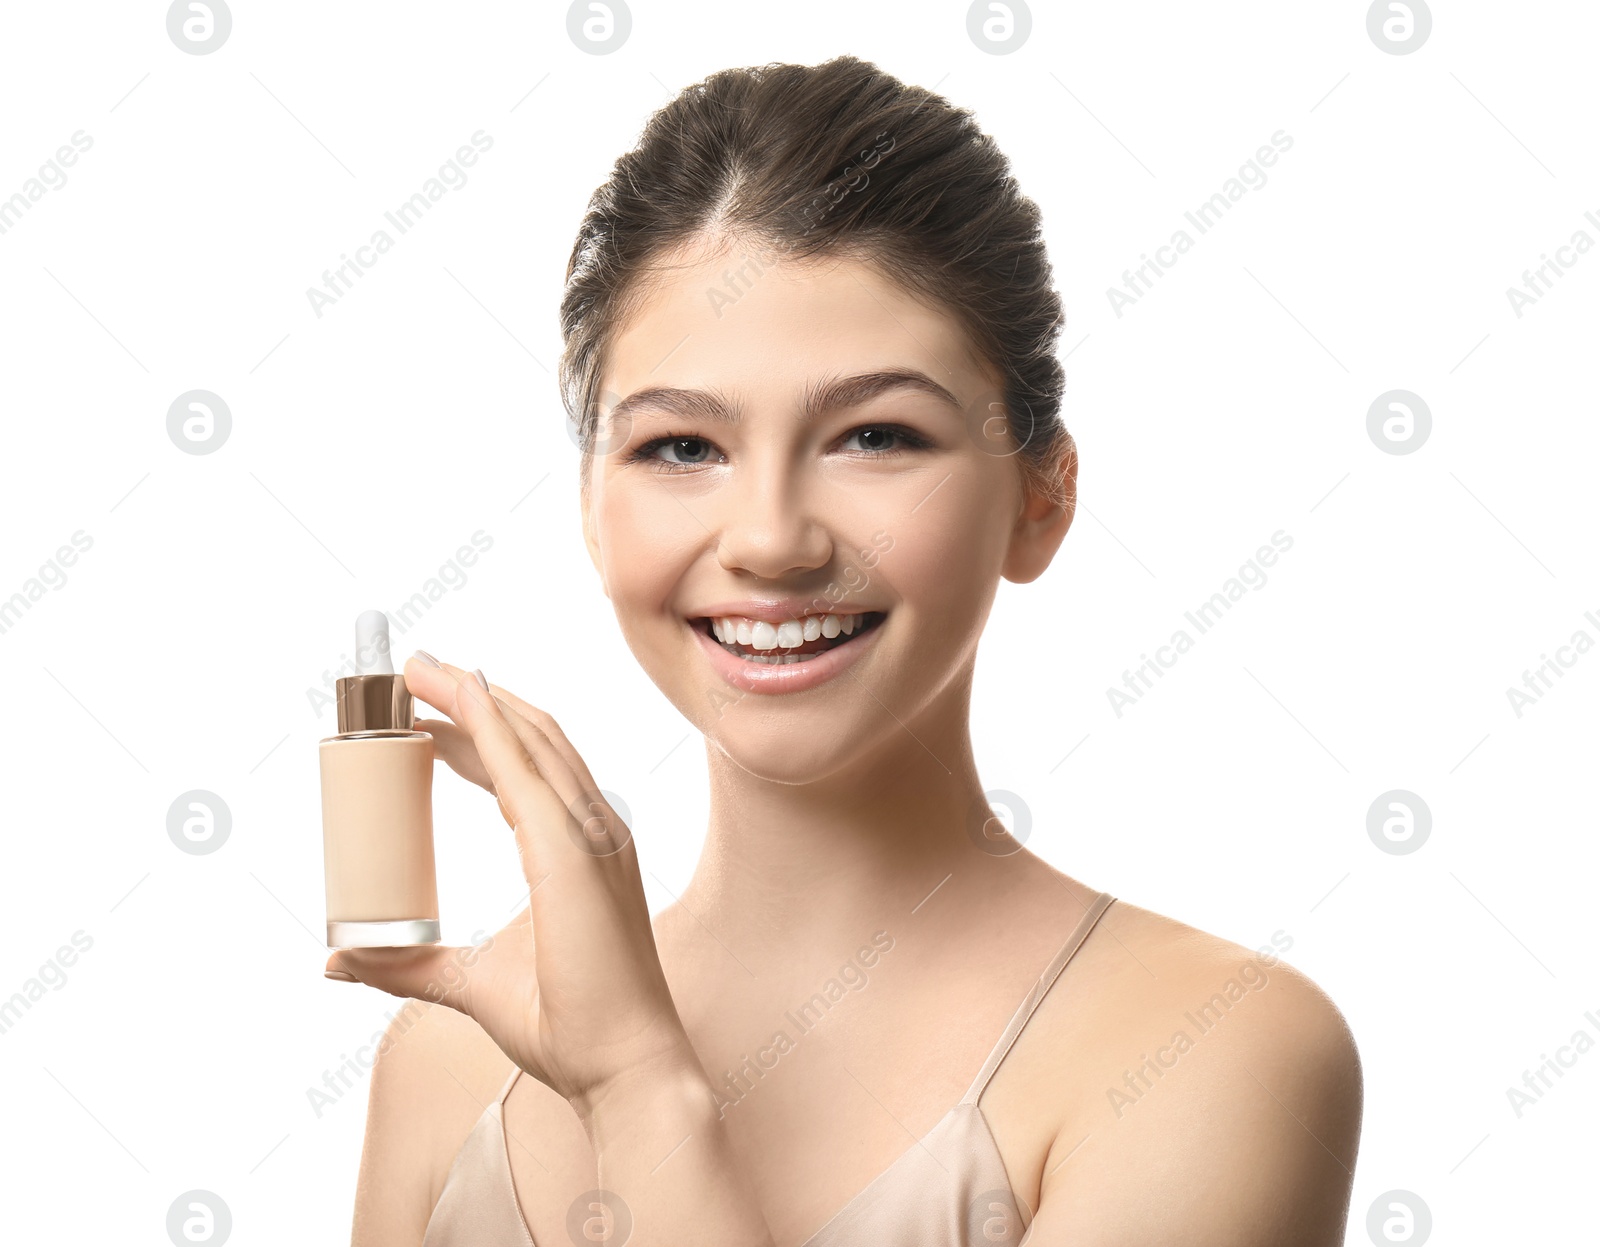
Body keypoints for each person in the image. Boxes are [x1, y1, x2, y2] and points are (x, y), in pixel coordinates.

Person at [325, 54, 1363, 1246]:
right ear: (588, 504)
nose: (769, 538)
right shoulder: (448, 1064)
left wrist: (635, 1085)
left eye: (875, 434)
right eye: (679, 448)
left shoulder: (1215, 1048)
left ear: (1041, 496)